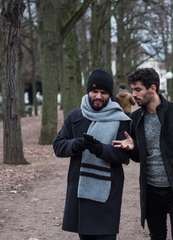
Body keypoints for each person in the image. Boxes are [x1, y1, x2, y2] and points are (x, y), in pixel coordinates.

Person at [113, 67, 173, 240]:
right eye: (133, 89)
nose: (134, 94)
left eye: (138, 89)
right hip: (151, 191)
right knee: (157, 236)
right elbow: (138, 158)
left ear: (152, 88)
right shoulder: (135, 119)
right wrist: (133, 148)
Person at [53, 68, 131, 240]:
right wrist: (76, 144)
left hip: (109, 191)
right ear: (88, 91)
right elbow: (58, 147)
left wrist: (100, 149)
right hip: (81, 189)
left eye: (103, 92)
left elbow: (123, 157)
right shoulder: (75, 116)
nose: (98, 96)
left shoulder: (121, 120)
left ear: (110, 95)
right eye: (94, 91)